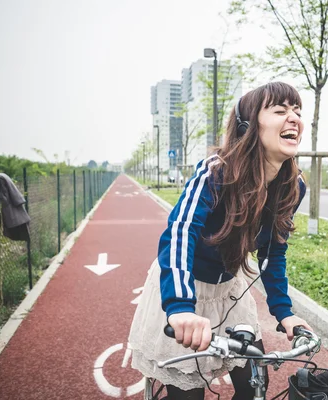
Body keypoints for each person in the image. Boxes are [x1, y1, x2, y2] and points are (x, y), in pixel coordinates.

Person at [128, 81, 313, 399]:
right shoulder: (215, 173)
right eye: (280, 110)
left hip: (229, 290)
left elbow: (273, 251)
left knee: (255, 384)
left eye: (297, 110)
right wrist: (180, 308)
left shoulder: (293, 185)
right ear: (248, 125)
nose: (294, 118)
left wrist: (284, 312)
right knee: (188, 392)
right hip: (185, 287)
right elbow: (179, 232)